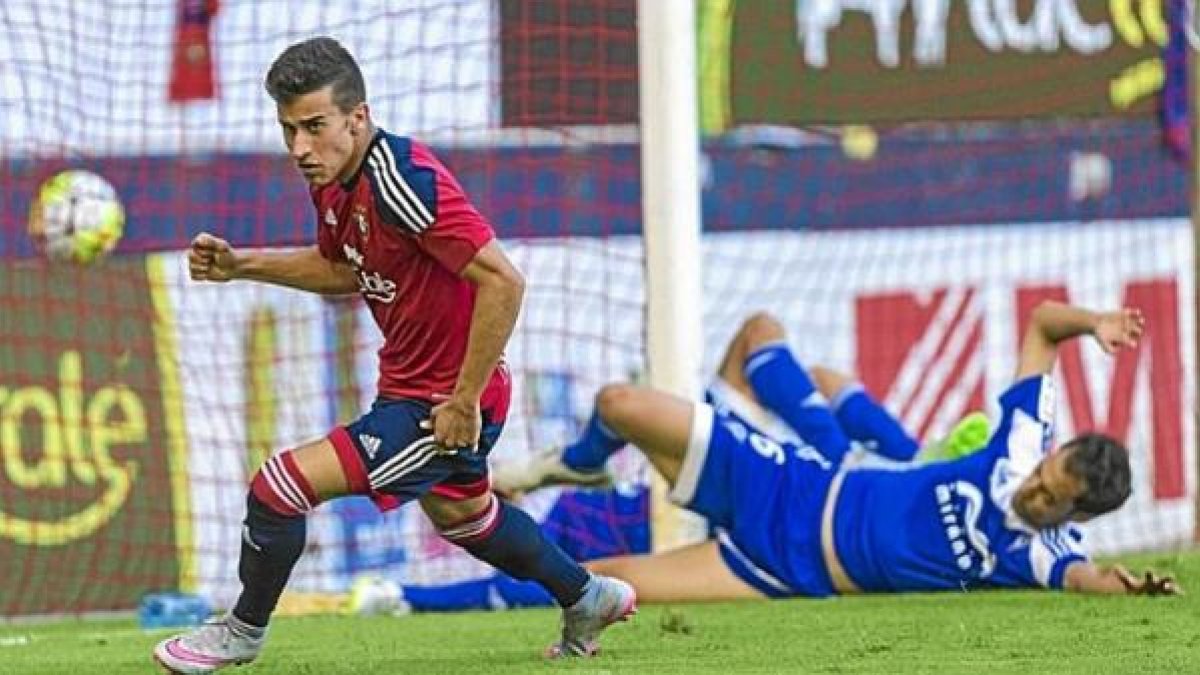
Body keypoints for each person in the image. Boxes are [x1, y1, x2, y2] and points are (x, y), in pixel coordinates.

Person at [154, 37, 634, 674]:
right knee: (468, 519)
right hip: (414, 388)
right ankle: (587, 594)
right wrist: (244, 265)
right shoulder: (332, 180)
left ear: (357, 118)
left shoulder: (401, 179)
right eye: (288, 129)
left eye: (315, 127)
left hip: (441, 402)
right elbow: (342, 269)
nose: (299, 148)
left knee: (280, 486)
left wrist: (462, 399)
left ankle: (241, 633)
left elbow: (504, 281)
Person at [499, 302, 1179, 602]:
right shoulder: (1020, 443)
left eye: (1049, 498)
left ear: (1073, 513)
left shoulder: (1042, 554)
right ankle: (583, 461)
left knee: (588, 580)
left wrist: (1129, 585)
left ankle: (409, 599)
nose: (1033, 489)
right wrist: (1095, 323)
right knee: (621, 403)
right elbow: (1042, 324)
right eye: (1043, 474)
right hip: (790, 484)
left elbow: (1087, 577)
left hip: (778, 569)